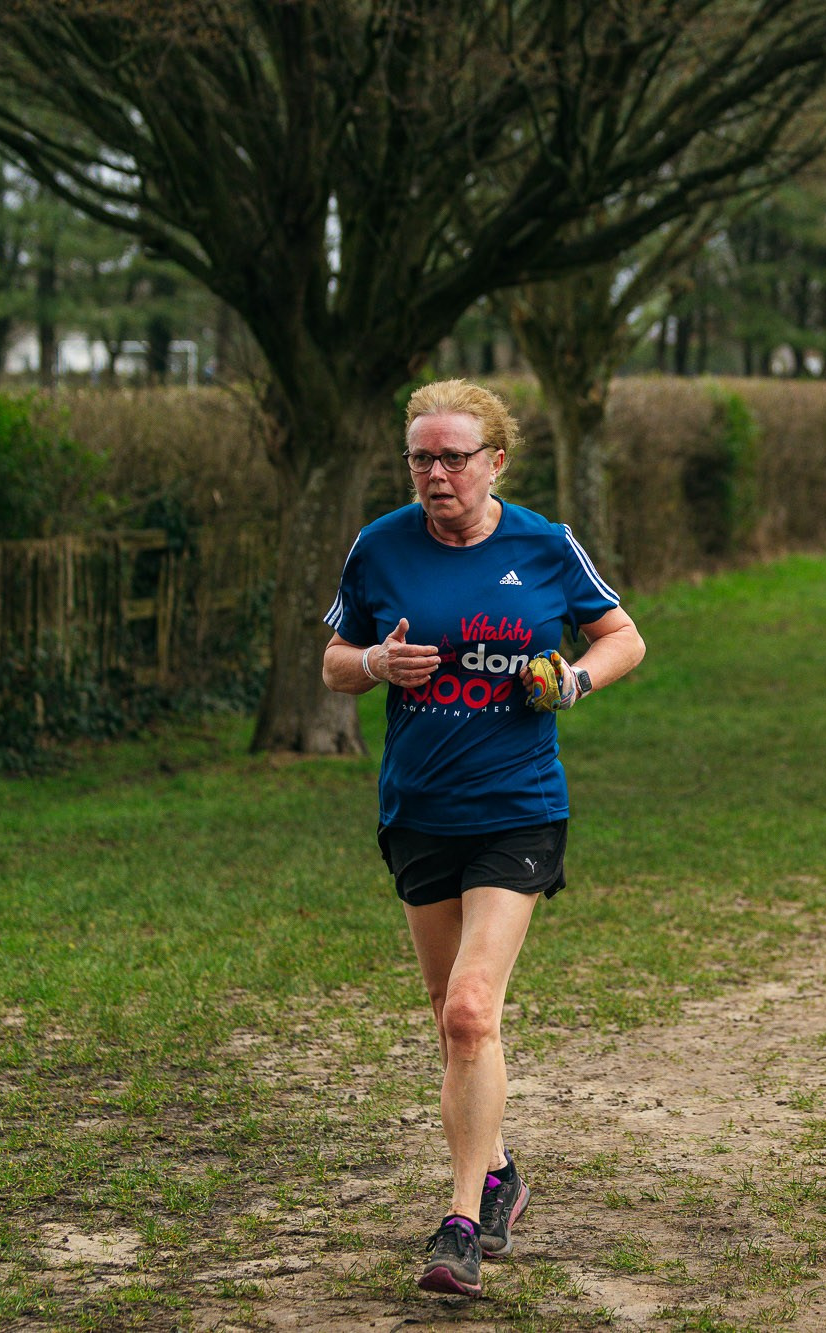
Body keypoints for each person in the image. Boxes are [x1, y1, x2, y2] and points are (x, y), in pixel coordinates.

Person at [321, 379, 647, 1297]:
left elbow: (623, 637)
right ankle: (499, 1167)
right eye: (421, 457)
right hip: (419, 809)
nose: (435, 473)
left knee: (471, 1009)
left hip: (518, 807)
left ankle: (462, 1224)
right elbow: (334, 661)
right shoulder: (380, 545)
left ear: (494, 462)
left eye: (453, 457)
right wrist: (378, 662)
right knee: (445, 1010)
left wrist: (573, 682)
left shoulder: (544, 546)